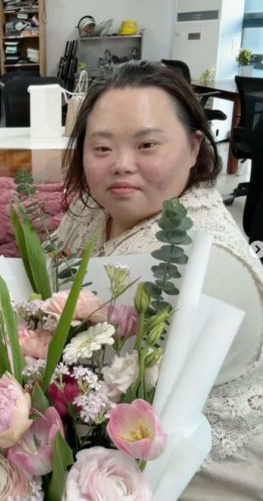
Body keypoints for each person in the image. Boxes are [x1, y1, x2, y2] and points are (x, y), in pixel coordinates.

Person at [57, 60, 263, 500]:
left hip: (195, 477)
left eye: (147, 145)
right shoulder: (95, 208)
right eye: (102, 148)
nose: (121, 165)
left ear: (193, 148)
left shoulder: (202, 267)